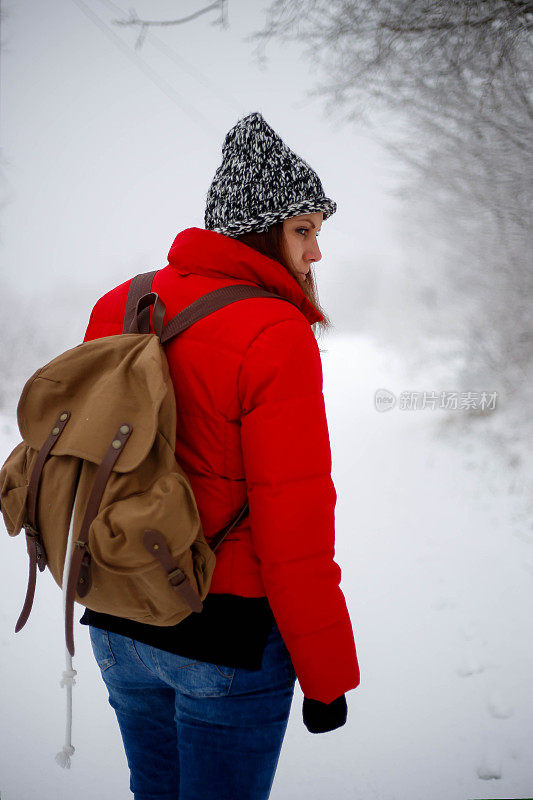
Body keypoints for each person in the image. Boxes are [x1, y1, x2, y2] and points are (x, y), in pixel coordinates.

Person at [81, 111, 360, 800]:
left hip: (117, 618)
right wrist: (326, 678)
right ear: (261, 229)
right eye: (303, 231)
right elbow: (291, 527)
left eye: (317, 233)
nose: (315, 253)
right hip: (223, 636)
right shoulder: (274, 329)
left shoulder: (121, 301)